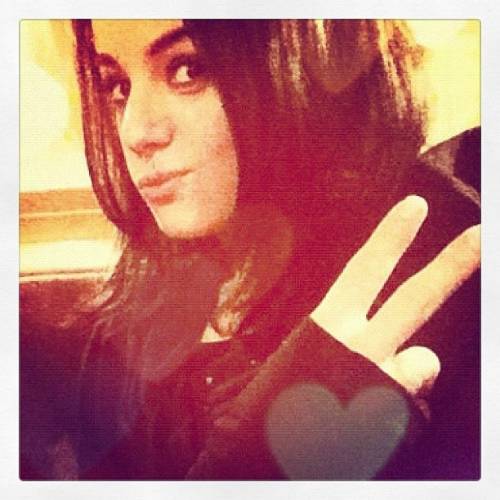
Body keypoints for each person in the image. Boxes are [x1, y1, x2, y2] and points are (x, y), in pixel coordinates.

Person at [20, 19, 480, 480]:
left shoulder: (438, 264)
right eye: (118, 87)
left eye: (188, 69)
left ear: (309, 63)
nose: (136, 132)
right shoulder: (156, 272)